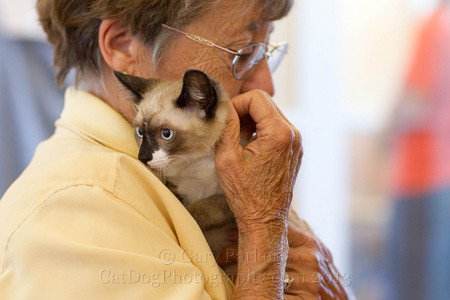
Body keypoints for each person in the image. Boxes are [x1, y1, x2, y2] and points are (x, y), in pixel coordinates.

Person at [0, 0, 352, 299]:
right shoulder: (76, 216)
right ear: (124, 46)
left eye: (267, 49)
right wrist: (264, 231)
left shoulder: (204, 166)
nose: (266, 85)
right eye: (242, 53)